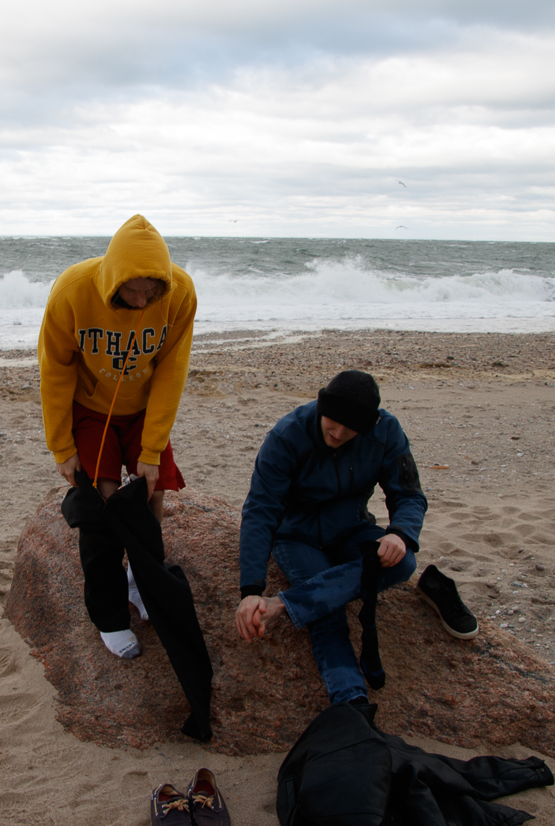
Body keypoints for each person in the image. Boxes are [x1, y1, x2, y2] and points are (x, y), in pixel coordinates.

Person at [234, 369, 478, 707]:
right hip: (296, 538)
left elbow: (409, 495)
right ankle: (351, 703)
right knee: (326, 609)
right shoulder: (287, 435)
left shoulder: (385, 431)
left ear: (367, 425)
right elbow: (260, 511)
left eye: (349, 429)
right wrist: (251, 589)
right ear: (322, 407)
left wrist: (400, 533)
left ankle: (286, 605)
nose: (337, 432)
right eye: (331, 422)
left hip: (353, 528)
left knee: (403, 561)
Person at [38, 214, 197, 659]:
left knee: (153, 492)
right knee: (103, 502)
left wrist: (151, 449)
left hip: (144, 408)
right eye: (133, 290)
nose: (143, 300)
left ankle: (141, 579)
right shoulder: (72, 292)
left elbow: (171, 370)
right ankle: (109, 614)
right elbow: (55, 370)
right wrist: (62, 446)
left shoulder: (181, 293)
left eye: (151, 291)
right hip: (90, 408)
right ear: (114, 279)